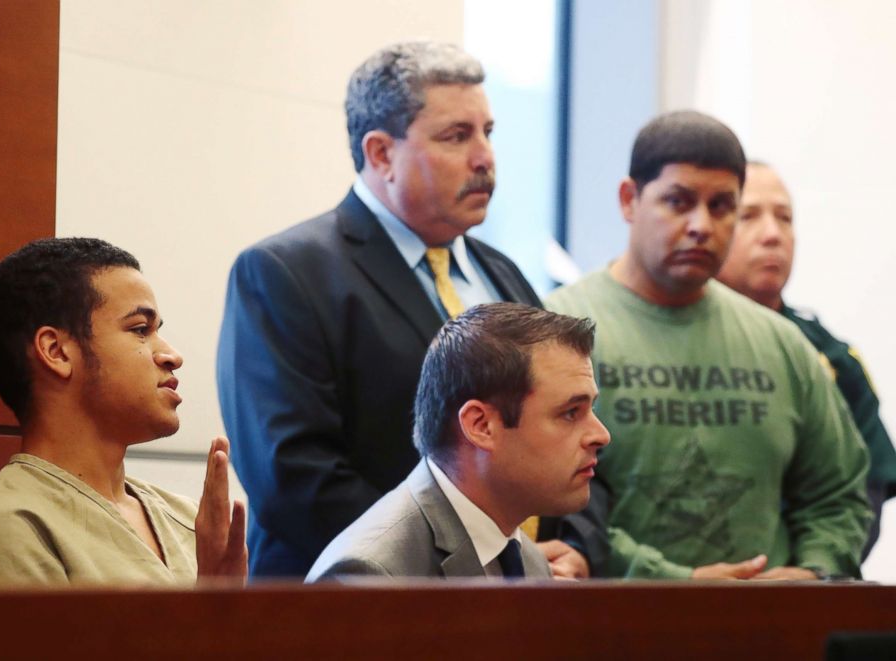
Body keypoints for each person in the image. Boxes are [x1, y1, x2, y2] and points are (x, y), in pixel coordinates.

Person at [217, 41, 606, 579]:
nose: (484, 157)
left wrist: (572, 549)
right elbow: (294, 477)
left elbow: (570, 422)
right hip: (352, 601)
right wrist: (475, 556)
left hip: (520, 585)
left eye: (487, 133)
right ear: (380, 154)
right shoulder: (286, 271)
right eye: (456, 136)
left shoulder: (505, 275)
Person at [544, 111, 872, 579]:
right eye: (678, 202)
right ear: (628, 200)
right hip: (610, 630)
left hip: (769, 633)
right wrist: (678, 584)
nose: (701, 225)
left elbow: (839, 495)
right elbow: (539, 498)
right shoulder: (555, 333)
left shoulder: (781, 342)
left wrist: (814, 574)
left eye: (721, 206)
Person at [0, 238, 246, 584]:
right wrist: (215, 603)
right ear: (57, 352)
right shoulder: (0, 527)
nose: (172, 355)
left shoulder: (190, 518)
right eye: (141, 329)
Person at [306, 303, 610, 580]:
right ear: (480, 425)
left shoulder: (526, 557)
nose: (601, 435)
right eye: (571, 413)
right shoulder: (370, 574)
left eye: (591, 409)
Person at [717, 161, 896, 556]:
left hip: (802, 584)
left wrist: (815, 569)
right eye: (748, 216)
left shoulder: (829, 355)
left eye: (785, 218)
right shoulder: (667, 334)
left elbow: (868, 487)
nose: (772, 235)